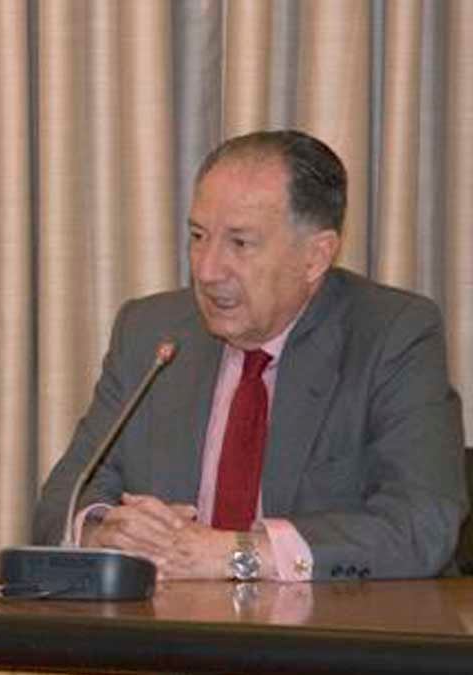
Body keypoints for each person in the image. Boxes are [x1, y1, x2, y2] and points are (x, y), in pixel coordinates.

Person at [34, 129, 467, 581]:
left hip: (324, 638)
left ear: (316, 257)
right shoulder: (150, 331)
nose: (207, 269)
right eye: (199, 235)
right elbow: (64, 496)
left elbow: (421, 526)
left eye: (240, 243)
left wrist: (237, 554)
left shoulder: (391, 334)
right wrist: (103, 531)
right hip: (164, 638)